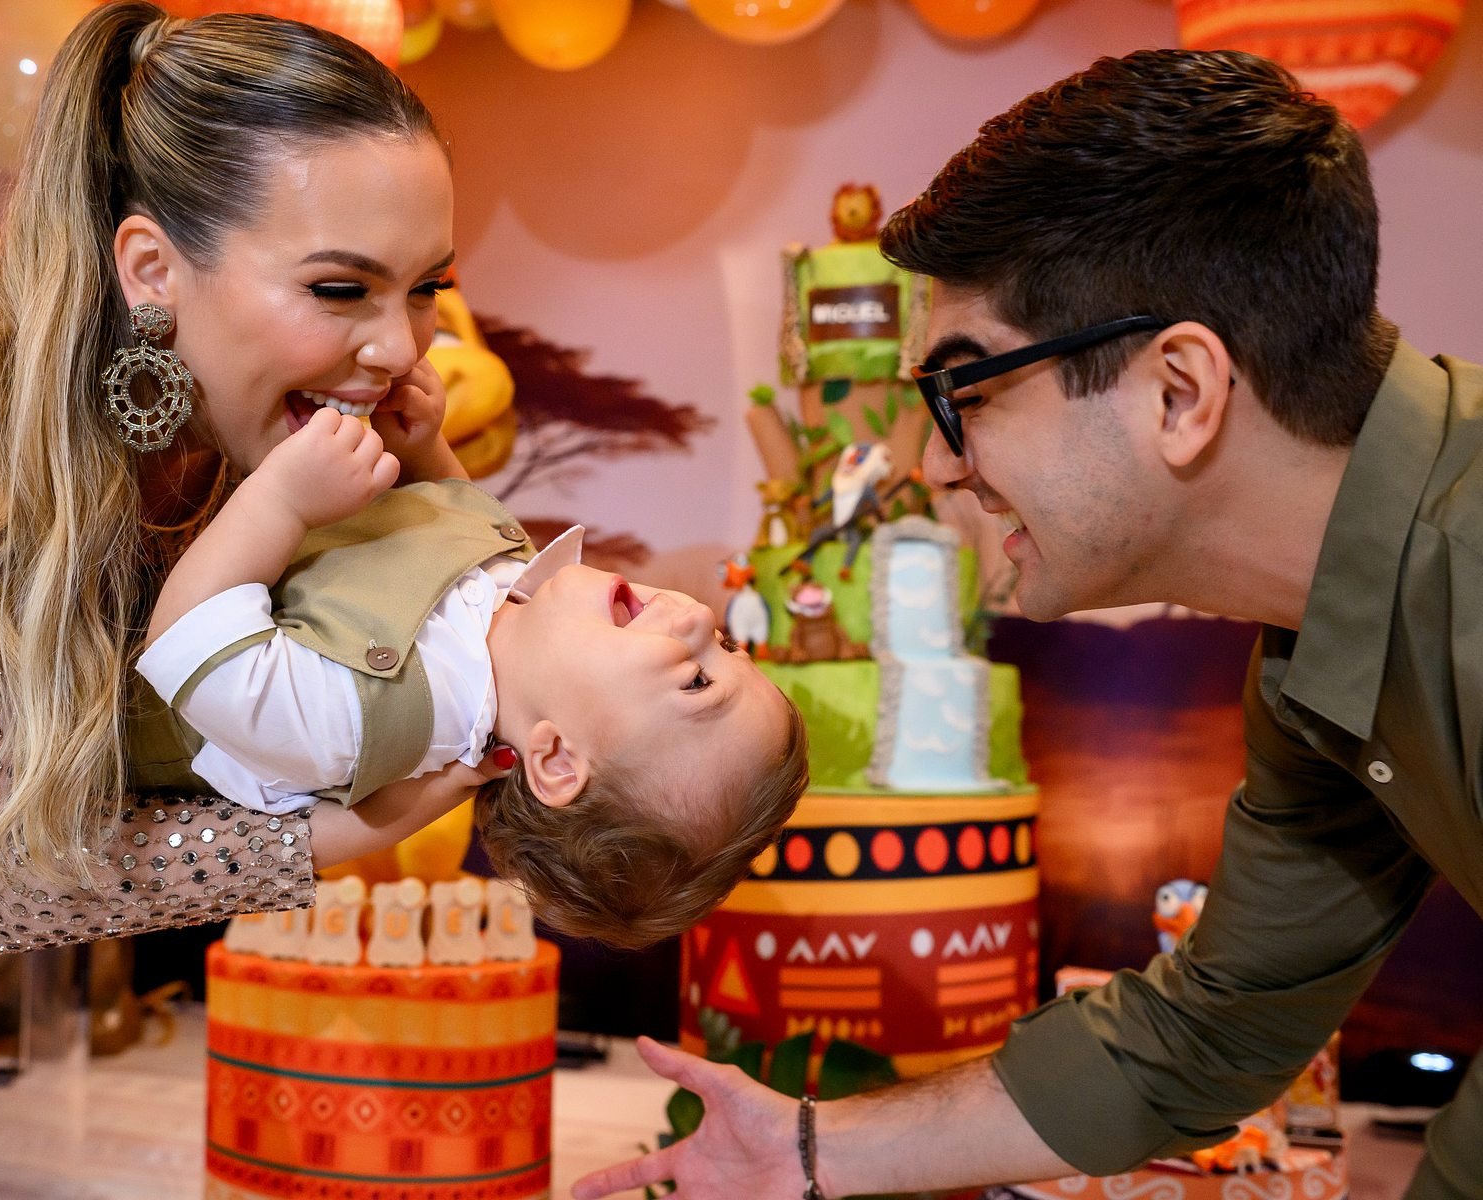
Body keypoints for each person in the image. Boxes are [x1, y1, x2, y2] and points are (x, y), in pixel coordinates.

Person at [575, 48, 1483, 1200]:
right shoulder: (1314, 655)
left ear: (1178, 392)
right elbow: (1215, 1026)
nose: (940, 469)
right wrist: (812, 1150)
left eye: (967, 394)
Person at [0, 4, 522, 1196]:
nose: (401, 346)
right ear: (151, 270)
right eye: (343, 289)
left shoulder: (242, 415)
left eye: (426, 287)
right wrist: (325, 843)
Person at [0, 405, 810, 953]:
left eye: (695, 682)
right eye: (731, 646)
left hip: (53, 712)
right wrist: (425, 444)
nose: (700, 621)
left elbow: (190, 646)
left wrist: (281, 497)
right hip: (80, 595)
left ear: (553, 759)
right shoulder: (512, 599)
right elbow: (451, 520)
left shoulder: (373, 719)